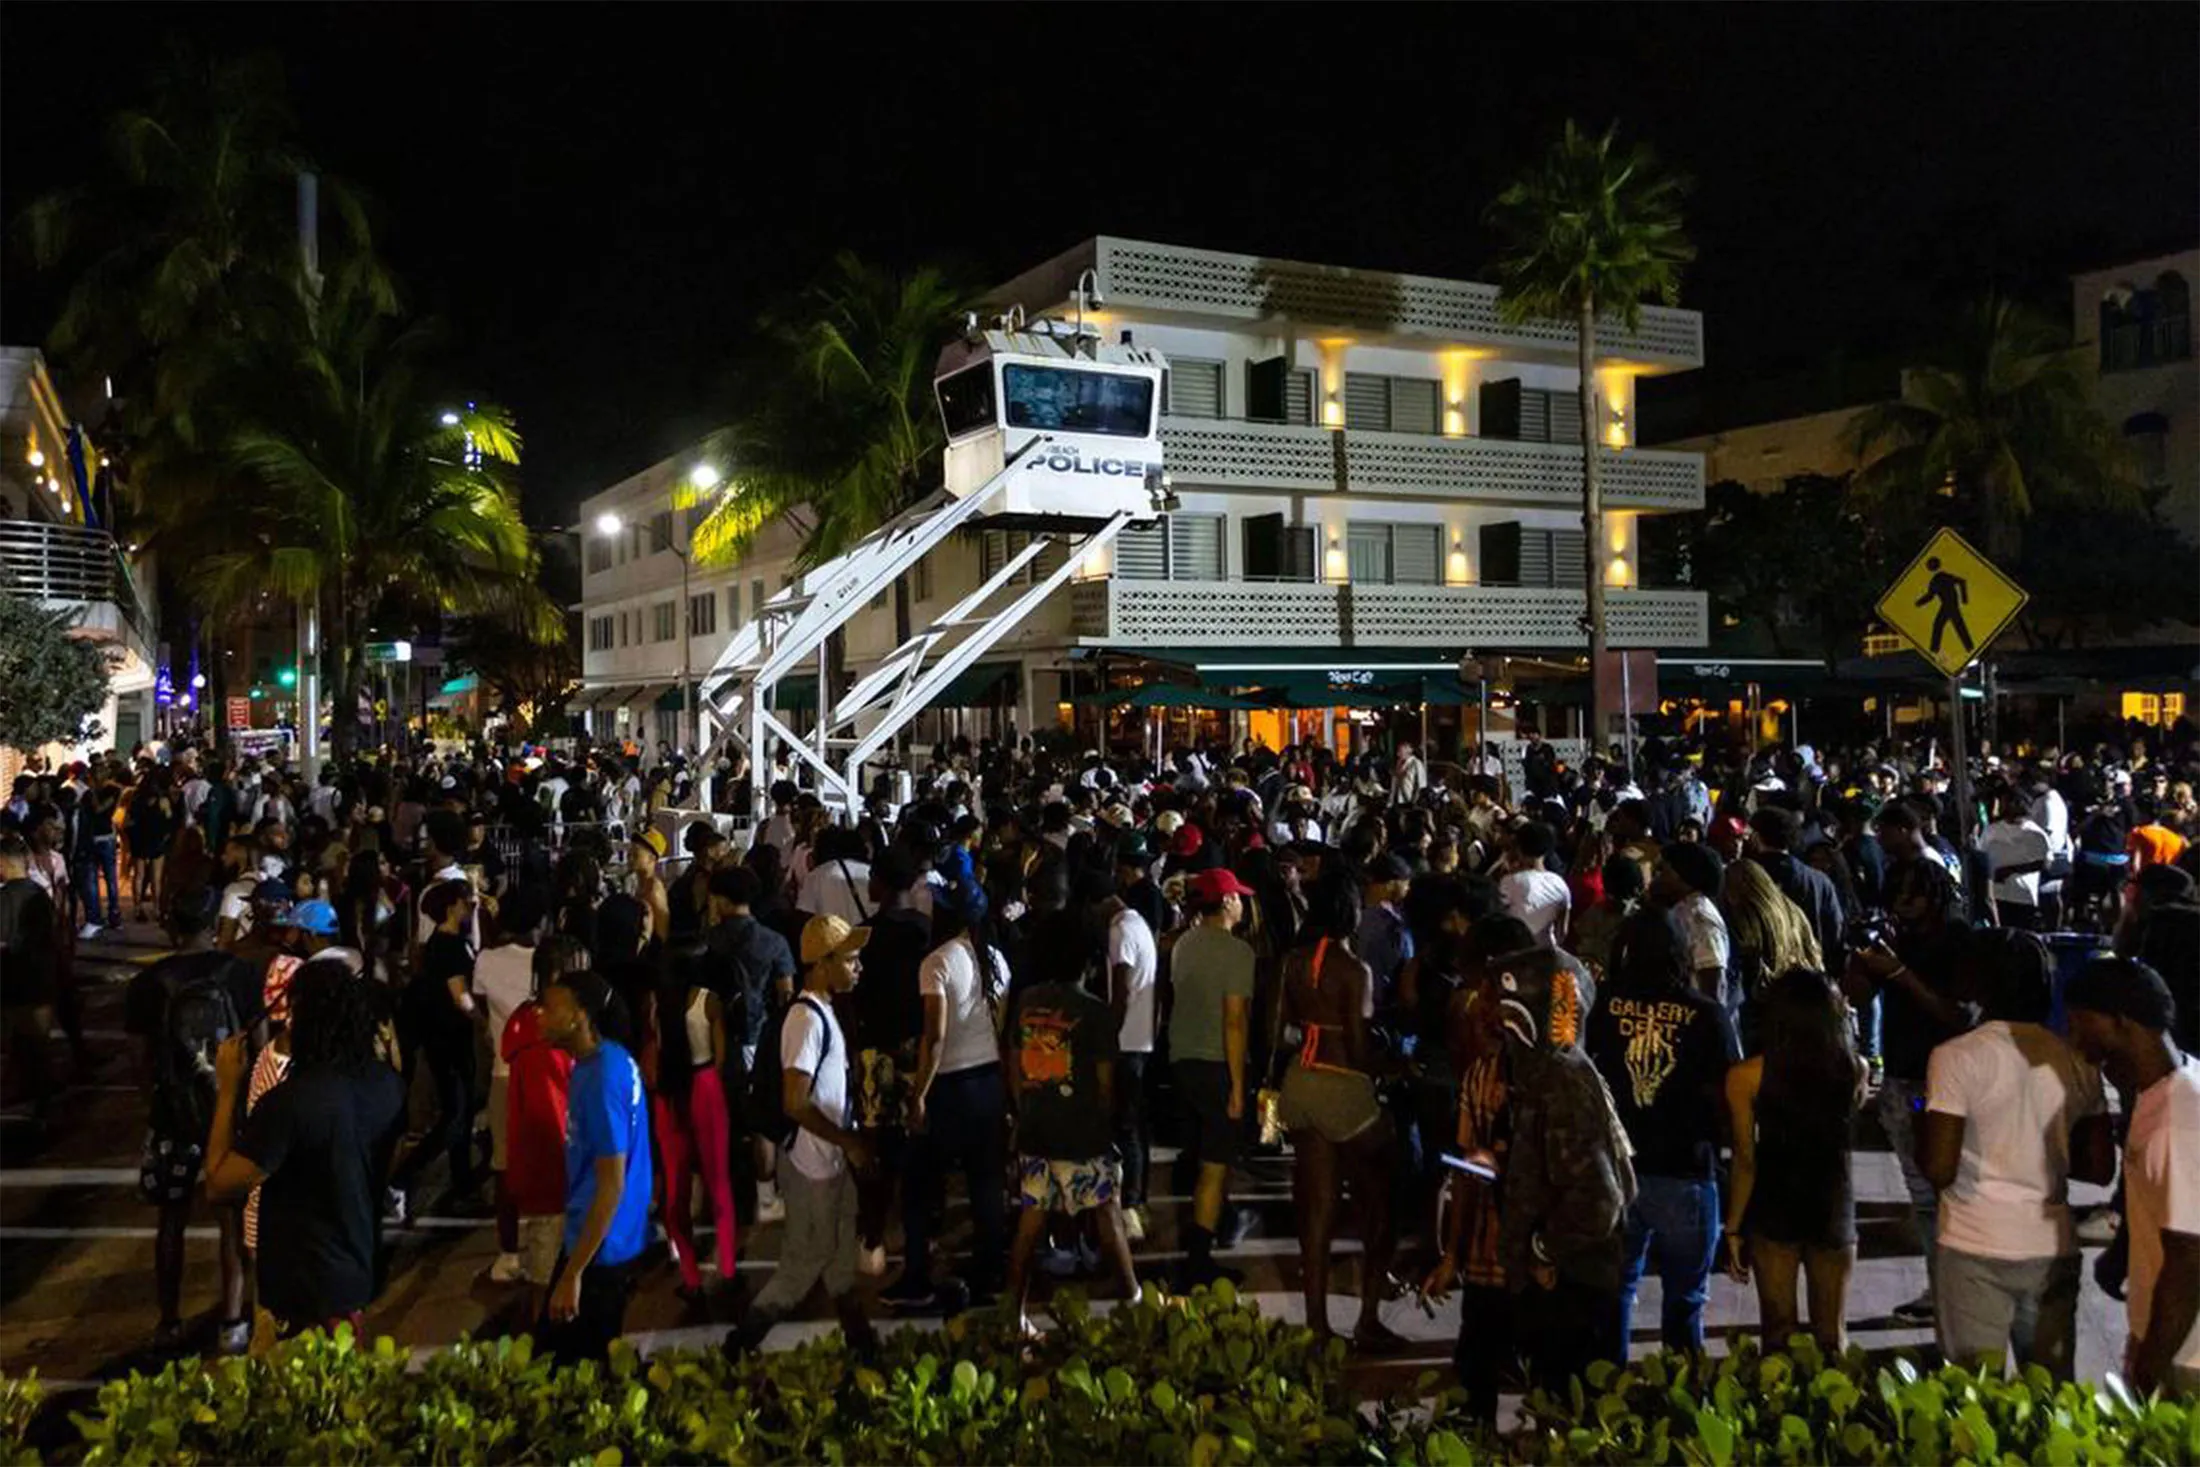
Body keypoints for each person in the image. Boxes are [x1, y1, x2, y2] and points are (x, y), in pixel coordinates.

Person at [1919, 929, 2112, 1380]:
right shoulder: (2075, 1059)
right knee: (2049, 1394)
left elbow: (1940, 1168)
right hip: (2052, 1244)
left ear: (1981, 984)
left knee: (1969, 1396)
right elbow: (2100, 1168)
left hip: (1972, 1242)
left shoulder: (1955, 1056)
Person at [204, 956, 405, 1342]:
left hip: (298, 1287)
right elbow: (389, 1161)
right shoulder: (387, 1086)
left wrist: (227, 1089)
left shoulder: (289, 1102)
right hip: (356, 1271)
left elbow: (220, 1184)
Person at [1583, 907, 1737, 1352]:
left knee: (1615, 1291)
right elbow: (1726, 1093)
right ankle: (1677, 1399)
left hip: (1617, 1168)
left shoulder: (1602, 1004)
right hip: (1685, 1168)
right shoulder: (1706, 1014)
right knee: (1686, 1298)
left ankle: (1607, 1392)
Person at [725, 915, 876, 1355]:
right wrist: (846, 1141)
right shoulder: (807, 1020)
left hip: (829, 1162)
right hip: (813, 1165)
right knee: (802, 1265)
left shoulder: (826, 1011)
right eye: (850, 959)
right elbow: (795, 1101)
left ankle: (861, 1343)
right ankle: (742, 1342)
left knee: (839, 1264)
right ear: (822, 964)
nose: (858, 967)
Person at [123, 889, 260, 1354]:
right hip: (228, 1106)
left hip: (173, 1116)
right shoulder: (238, 973)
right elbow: (256, 1040)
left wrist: (157, 1102)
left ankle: (168, 1318)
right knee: (230, 1220)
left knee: (171, 1219)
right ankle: (233, 1319)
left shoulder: (149, 983)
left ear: (171, 926)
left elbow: (140, 1058)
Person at [1495, 942, 1635, 1393]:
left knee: (1568, 1404)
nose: (1498, 1019)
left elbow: (1599, 1198)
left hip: (1574, 1287)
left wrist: (1542, 1249)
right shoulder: (1549, 1074)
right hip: (1565, 1283)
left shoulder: (1563, 1079)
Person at [1274, 870, 1402, 1351]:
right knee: (1383, 1205)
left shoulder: (1292, 962)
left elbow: (1278, 1032)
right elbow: (1359, 1049)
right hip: (1343, 1088)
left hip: (1300, 1085)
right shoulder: (1355, 970)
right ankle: (1367, 1319)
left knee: (1317, 1212)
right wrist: (1397, 1066)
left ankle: (1316, 1325)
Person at [2063, 957, 2200, 1395]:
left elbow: (2189, 1258)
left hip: (2186, 1355)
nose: (2074, 1037)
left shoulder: (2179, 1120)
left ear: (2120, 1022)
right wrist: (2122, 1254)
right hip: (2166, 1339)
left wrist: (2144, 1376)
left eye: (2081, 1022)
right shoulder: (2167, 1085)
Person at [1003, 908, 1140, 1332]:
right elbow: (1103, 1086)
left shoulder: (1027, 1002)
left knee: (1031, 1220)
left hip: (1037, 1129)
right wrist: (1104, 1123)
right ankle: (1133, 1300)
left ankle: (1014, 1312)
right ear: (1089, 959)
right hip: (1082, 1134)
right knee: (1107, 1215)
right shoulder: (1094, 1012)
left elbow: (1013, 1063)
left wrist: (1025, 1109)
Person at [1723, 969, 1868, 1353]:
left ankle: (1777, 1406)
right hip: (1833, 1200)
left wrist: (1733, 1227)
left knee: (1777, 1330)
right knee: (1831, 1335)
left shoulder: (1747, 1076)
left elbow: (1745, 1159)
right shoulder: (1855, 1069)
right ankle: (1834, 1409)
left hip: (1776, 1201)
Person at [893, 887, 1011, 1309]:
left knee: (919, 1185)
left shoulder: (937, 962)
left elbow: (935, 1037)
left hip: (949, 1085)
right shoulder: (995, 959)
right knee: (986, 1183)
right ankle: (992, 1272)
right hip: (989, 1080)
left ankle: (916, 1275)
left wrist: (918, 1095)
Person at [537, 970, 652, 1363]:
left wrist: (573, 1274)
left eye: (550, 1008)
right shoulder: (609, 1060)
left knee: (566, 1367)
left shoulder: (601, 1078)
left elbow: (611, 1183)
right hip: (606, 1241)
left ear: (578, 1016)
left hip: (599, 1249)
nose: (540, 1015)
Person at [1169, 866, 1257, 1288]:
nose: (1242, 902)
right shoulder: (1236, 952)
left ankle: (1212, 1229)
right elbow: (1234, 1022)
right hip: (1215, 1064)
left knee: (1204, 1157)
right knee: (1214, 1166)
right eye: (1238, 896)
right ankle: (1198, 1261)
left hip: (1181, 1059)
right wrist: (1239, 1086)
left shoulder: (1183, 944)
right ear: (1225, 902)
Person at [647, 940, 738, 1308]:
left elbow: (653, 1057)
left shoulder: (657, 1006)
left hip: (670, 1097)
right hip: (704, 1087)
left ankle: (690, 1274)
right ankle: (728, 1267)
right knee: (719, 1185)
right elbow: (721, 1057)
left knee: (676, 1190)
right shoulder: (708, 1002)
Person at [496, 938, 583, 1297]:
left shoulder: (520, 1021)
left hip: (531, 1144)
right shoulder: (566, 1026)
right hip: (562, 1145)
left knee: (542, 1247)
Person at [476, 886, 546, 1281]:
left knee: (504, 1166)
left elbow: (482, 1011)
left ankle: (508, 1252)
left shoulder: (486, 961)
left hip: (505, 1073)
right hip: (551, 1074)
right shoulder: (551, 960)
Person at [0, 834, 61, 1121]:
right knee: (39, 1045)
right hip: (41, 979)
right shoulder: (40, 895)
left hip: (12, 981)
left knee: (20, 1044)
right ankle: (42, 1105)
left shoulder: (4, 899)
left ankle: (35, 1100)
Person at [1650, 842, 1729, 1008]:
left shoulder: (1700, 917)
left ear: (1683, 876)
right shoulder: (1681, 908)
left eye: (1663, 871)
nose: (1656, 878)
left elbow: (1711, 979)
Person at [1498, 821, 1571, 949]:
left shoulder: (1509, 882)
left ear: (1519, 848)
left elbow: (1498, 918)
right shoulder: (1561, 884)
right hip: (1546, 951)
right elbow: (1562, 932)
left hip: (1515, 951)